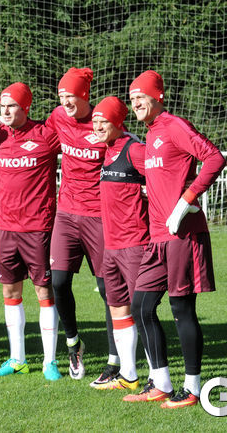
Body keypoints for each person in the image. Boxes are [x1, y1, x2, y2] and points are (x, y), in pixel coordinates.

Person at [125, 70, 225, 408]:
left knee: (181, 308)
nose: (135, 103)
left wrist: (185, 202)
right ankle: (161, 383)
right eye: (132, 98)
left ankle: (193, 388)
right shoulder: (151, 133)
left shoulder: (174, 125)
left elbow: (214, 158)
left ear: (158, 97)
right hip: (157, 237)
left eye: (141, 96)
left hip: (184, 234)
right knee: (141, 306)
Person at [0, 83, 63, 381]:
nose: (5, 111)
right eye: (2, 105)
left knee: (44, 291)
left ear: (25, 107)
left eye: (12, 105)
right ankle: (18, 359)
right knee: (10, 291)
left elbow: (76, 137)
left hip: (38, 227)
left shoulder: (45, 134)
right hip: (5, 228)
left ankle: (49, 361)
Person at [46, 68, 117, 382]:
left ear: (84, 95)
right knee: (58, 282)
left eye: (70, 96)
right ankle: (73, 343)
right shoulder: (58, 117)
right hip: (66, 214)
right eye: (61, 96)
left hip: (99, 217)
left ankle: (115, 359)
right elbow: (32, 135)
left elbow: (125, 149)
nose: (65, 102)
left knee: (108, 289)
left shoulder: (102, 122)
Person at [90, 96, 148, 390]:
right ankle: (128, 376)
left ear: (118, 123)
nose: (98, 126)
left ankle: (157, 379)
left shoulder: (134, 149)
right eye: (95, 121)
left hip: (134, 244)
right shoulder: (107, 150)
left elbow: (163, 175)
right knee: (118, 309)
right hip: (110, 246)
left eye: (104, 122)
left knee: (143, 313)